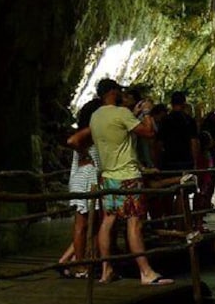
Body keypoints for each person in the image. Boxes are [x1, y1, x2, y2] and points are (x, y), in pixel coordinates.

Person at [73, 78, 173, 286]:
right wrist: (145, 112)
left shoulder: (95, 116)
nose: (121, 94)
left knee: (108, 221)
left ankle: (106, 270)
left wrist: (133, 114)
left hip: (107, 176)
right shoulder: (121, 114)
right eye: (119, 91)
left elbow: (115, 131)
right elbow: (149, 133)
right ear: (112, 92)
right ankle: (146, 272)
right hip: (128, 176)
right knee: (134, 222)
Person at [59, 97, 102, 278]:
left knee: (86, 223)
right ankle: (80, 265)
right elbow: (72, 141)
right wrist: (86, 156)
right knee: (82, 224)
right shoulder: (90, 129)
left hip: (83, 177)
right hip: (86, 177)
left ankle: (68, 260)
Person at [158, 91, 198, 172]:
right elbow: (193, 142)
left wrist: (158, 160)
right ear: (184, 103)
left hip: (168, 160)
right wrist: (195, 161)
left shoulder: (165, 120)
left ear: (171, 103)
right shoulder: (189, 120)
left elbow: (159, 142)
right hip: (186, 160)